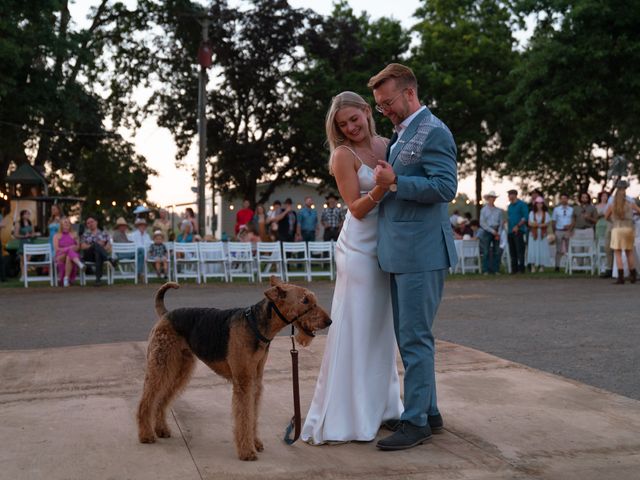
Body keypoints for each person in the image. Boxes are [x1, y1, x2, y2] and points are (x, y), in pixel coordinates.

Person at [302, 91, 404, 446]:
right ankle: (352, 412)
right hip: (358, 248)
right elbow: (356, 208)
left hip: (387, 245)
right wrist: (380, 188)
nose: (350, 127)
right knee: (359, 326)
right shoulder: (342, 156)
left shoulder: (389, 144)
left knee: (382, 327)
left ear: (365, 111)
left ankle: (386, 406)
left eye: (354, 119)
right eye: (342, 124)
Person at [370, 63, 458, 450]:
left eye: (387, 102)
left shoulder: (434, 131)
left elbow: (445, 186)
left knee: (414, 338)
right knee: (411, 338)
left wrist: (396, 183)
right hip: (402, 252)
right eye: (379, 106)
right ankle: (429, 411)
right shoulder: (402, 133)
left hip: (422, 252)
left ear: (409, 92)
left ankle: (416, 421)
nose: (384, 110)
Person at [605, 180, 640, 284]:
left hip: (617, 228)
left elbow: (606, 216)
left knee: (618, 253)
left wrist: (613, 220)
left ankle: (621, 277)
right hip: (628, 228)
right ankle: (633, 275)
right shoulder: (630, 203)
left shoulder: (612, 204)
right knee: (629, 252)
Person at [80, 216, 116, 285]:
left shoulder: (104, 233)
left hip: (100, 256)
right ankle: (109, 259)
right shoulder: (85, 234)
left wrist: (101, 249)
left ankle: (98, 280)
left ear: (96, 222)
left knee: (98, 253)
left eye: (92, 222)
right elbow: (82, 246)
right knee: (96, 245)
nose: (90, 224)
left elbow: (109, 245)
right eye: (88, 223)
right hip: (89, 256)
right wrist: (95, 245)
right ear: (87, 225)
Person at [53, 217, 84, 287]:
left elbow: (78, 247)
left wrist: (70, 249)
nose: (67, 223)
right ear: (61, 225)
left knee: (69, 256)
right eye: (65, 222)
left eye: (68, 222)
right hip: (60, 256)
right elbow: (57, 249)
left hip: (73, 255)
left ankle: (66, 279)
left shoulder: (74, 234)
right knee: (69, 252)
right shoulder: (56, 236)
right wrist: (69, 248)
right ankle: (79, 263)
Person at [478, 191, 503, 274]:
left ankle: (496, 270)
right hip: (487, 231)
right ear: (488, 199)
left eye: (493, 197)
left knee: (496, 251)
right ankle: (485, 270)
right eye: (491, 197)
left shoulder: (498, 211)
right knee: (486, 251)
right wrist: (493, 231)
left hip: (496, 231)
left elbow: (501, 223)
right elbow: (482, 223)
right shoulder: (484, 210)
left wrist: (498, 233)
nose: (492, 199)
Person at [506, 189, 529, 274]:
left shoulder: (522, 205)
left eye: (510, 195)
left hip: (519, 231)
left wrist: (518, 226)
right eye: (508, 195)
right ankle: (514, 269)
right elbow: (509, 217)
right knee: (512, 251)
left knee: (520, 250)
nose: (509, 197)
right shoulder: (509, 206)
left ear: (514, 195)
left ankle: (521, 269)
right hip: (510, 231)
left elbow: (525, 217)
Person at [551, 193, 574, 272]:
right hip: (559, 230)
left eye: (565, 198)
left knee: (569, 249)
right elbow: (553, 221)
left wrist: (570, 227)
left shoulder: (571, 209)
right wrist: (554, 231)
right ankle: (557, 266)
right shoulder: (556, 209)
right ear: (560, 200)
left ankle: (569, 266)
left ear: (567, 199)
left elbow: (573, 220)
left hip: (568, 231)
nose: (564, 200)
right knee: (558, 250)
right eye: (562, 198)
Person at [527, 197, 551, 272]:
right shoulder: (531, 213)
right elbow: (530, 223)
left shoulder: (546, 213)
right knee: (533, 249)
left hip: (542, 234)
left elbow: (547, 223)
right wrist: (540, 225)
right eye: (538, 203)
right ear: (535, 204)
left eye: (541, 203)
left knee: (542, 249)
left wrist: (537, 225)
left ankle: (542, 266)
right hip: (533, 234)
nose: (539, 205)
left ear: (543, 204)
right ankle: (533, 266)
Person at [14, 209, 38, 280]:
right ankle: (23, 275)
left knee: (28, 259)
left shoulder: (30, 223)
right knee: (22, 260)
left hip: (30, 242)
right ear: (22, 215)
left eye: (28, 214)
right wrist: (24, 236)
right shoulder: (18, 223)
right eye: (26, 214)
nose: (27, 215)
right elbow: (16, 234)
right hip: (23, 242)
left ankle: (25, 274)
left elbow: (33, 232)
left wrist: (32, 234)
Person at [595, 191, 612, 278]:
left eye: (606, 196)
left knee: (608, 247)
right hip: (599, 225)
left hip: (608, 225)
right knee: (600, 246)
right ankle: (601, 266)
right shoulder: (597, 206)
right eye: (603, 196)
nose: (604, 197)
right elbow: (594, 217)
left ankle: (608, 266)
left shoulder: (610, 205)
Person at [131, 217, 152, 282]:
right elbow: (134, 246)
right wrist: (143, 249)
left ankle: (138, 273)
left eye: (144, 225)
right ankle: (140, 273)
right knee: (141, 249)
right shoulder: (134, 234)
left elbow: (149, 245)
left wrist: (145, 250)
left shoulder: (147, 235)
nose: (143, 227)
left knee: (141, 256)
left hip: (144, 253)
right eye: (141, 225)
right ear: (138, 226)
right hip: (135, 252)